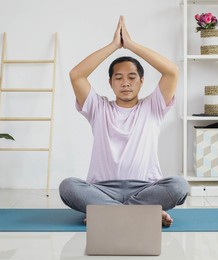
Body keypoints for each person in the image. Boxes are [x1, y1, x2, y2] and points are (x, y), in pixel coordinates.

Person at [59, 16, 188, 227]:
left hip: (145, 189)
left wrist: (131, 45)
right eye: (118, 78)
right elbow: (76, 75)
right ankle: (142, 213)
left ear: (141, 81)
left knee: (179, 186)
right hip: (101, 189)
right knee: (68, 187)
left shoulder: (153, 106)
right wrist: (113, 46)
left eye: (132, 77)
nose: (125, 83)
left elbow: (171, 71)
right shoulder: (98, 108)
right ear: (110, 83)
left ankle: (106, 213)